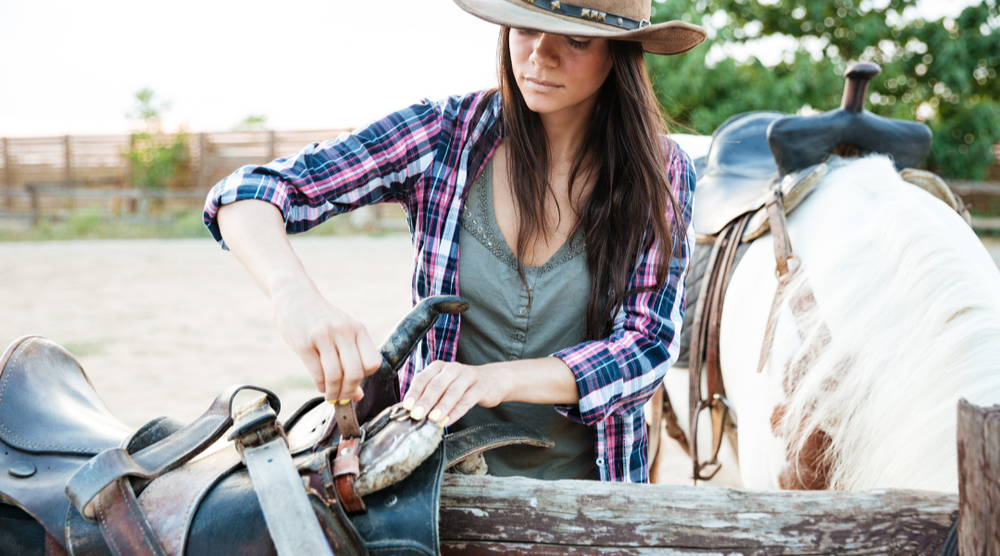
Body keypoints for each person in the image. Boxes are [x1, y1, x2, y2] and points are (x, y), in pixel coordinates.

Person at [203, 0, 705, 483]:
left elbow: (645, 348)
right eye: (526, 27)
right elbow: (247, 193)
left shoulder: (661, 172)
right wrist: (295, 297)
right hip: (430, 486)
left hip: (592, 491)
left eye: (575, 38)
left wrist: (497, 379)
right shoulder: (444, 134)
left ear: (620, 54)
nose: (539, 55)